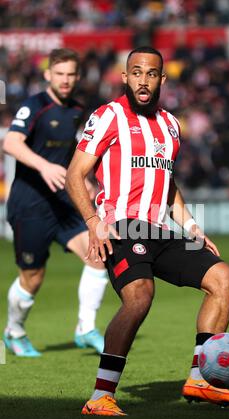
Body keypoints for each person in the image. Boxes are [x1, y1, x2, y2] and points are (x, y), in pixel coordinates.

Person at [66, 46, 229, 415]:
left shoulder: (170, 125)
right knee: (139, 297)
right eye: (136, 72)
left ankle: (201, 380)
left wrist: (192, 227)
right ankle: (100, 396)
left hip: (158, 229)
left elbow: (167, 185)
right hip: (120, 227)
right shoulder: (107, 116)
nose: (143, 79)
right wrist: (93, 223)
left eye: (151, 73)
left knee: (224, 279)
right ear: (125, 76)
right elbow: (74, 174)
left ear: (162, 79)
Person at [3, 48, 108, 357]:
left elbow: (74, 149)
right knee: (32, 278)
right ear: (48, 74)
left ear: (78, 77)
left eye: (70, 74)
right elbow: (10, 142)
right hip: (30, 203)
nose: (65, 80)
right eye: (59, 74)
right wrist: (44, 166)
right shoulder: (34, 105)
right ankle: (14, 331)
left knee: (97, 255)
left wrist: (86, 182)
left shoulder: (78, 108)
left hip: (62, 202)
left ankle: (85, 328)